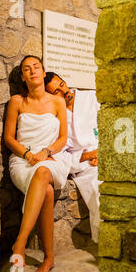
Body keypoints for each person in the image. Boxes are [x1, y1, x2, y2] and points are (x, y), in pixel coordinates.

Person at [4, 55, 71, 272]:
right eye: (26, 69)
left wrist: (46, 153)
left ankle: (19, 244)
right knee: (47, 191)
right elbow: (9, 138)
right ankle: (49, 257)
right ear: (23, 77)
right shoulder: (17, 102)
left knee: (43, 171)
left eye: (36, 67)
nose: (32, 71)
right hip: (23, 160)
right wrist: (27, 154)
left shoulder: (57, 102)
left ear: (43, 72)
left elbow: (63, 138)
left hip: (52, 158)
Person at [44, 72, 102, 243]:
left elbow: (112, 124)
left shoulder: (91, 98)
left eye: (62, 84)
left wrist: (105, 151)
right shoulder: (54, 118)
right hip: (85, 166)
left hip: (108, 153)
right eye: (57, 91)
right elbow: (63, 154)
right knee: (101, 193)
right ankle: (110, 243)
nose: (65, 91)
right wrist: (89, 155)